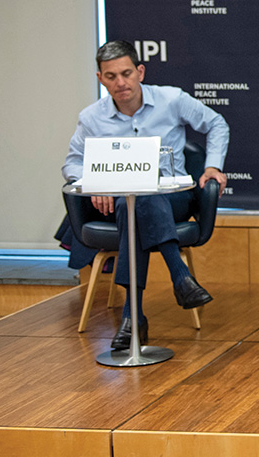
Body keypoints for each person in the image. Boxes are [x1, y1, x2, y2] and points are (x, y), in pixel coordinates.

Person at [62, 40, 229, 351]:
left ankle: (133, 315)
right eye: (111, 76)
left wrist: (212, 166)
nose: (120, 83)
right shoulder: (91, 117)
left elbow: (216, 123)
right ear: (100, 79)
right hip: (119, 203)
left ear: (140, 71)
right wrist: (91, 183)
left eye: (126, 73)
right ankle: (180, 279)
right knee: (133, 203)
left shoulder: (171, 99)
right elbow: (72, 162)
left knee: (141, 197)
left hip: (174, 199)